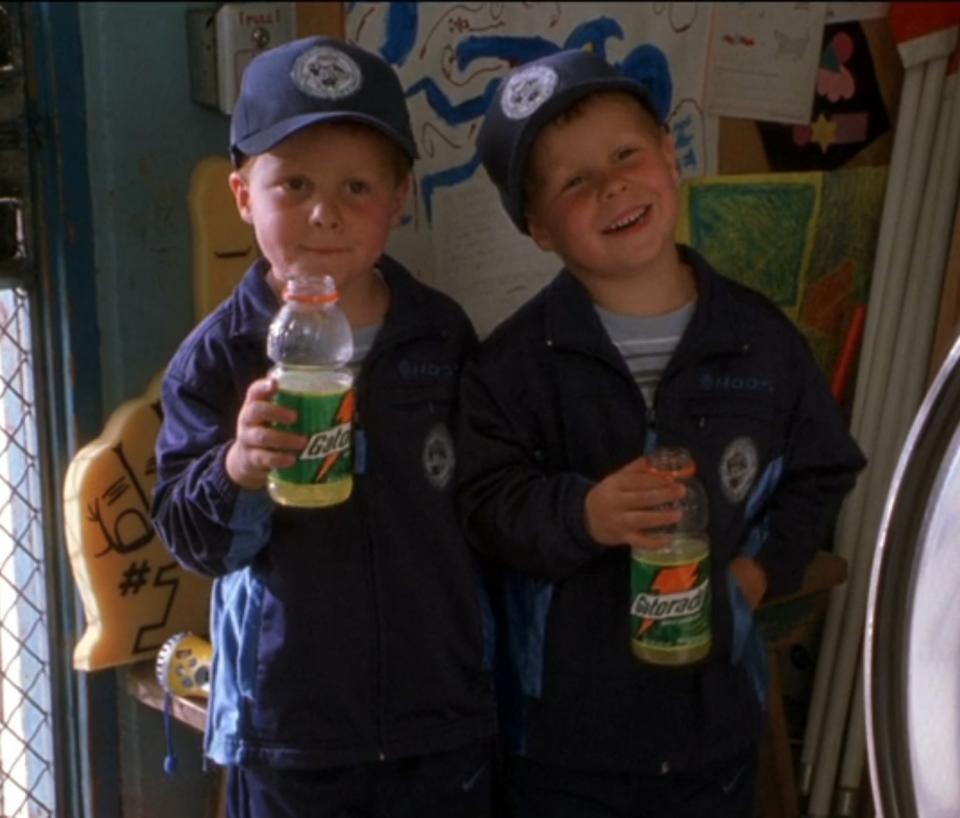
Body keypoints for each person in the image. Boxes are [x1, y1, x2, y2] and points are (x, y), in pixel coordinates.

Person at [457, 48, 866, 818]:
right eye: (574, 182)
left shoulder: (759, 341)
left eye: (625, 155)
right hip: (561, 745)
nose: (611, 185)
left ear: (671, 161)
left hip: (713, 729)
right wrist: (582, 514)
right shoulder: (511, 365)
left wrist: (760, 573)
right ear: (539, 228)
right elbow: (482, 503)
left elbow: (821, 469)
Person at [151, 36, 497, 818]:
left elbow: (486, 503)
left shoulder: (441, 337)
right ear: (244, 195)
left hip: (439, 718)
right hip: (287, 730)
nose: (324, 213)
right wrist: (237, 468)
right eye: (294, 183)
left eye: (357, 186)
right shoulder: (218, 360)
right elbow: (188, 534)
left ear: (401, 196)